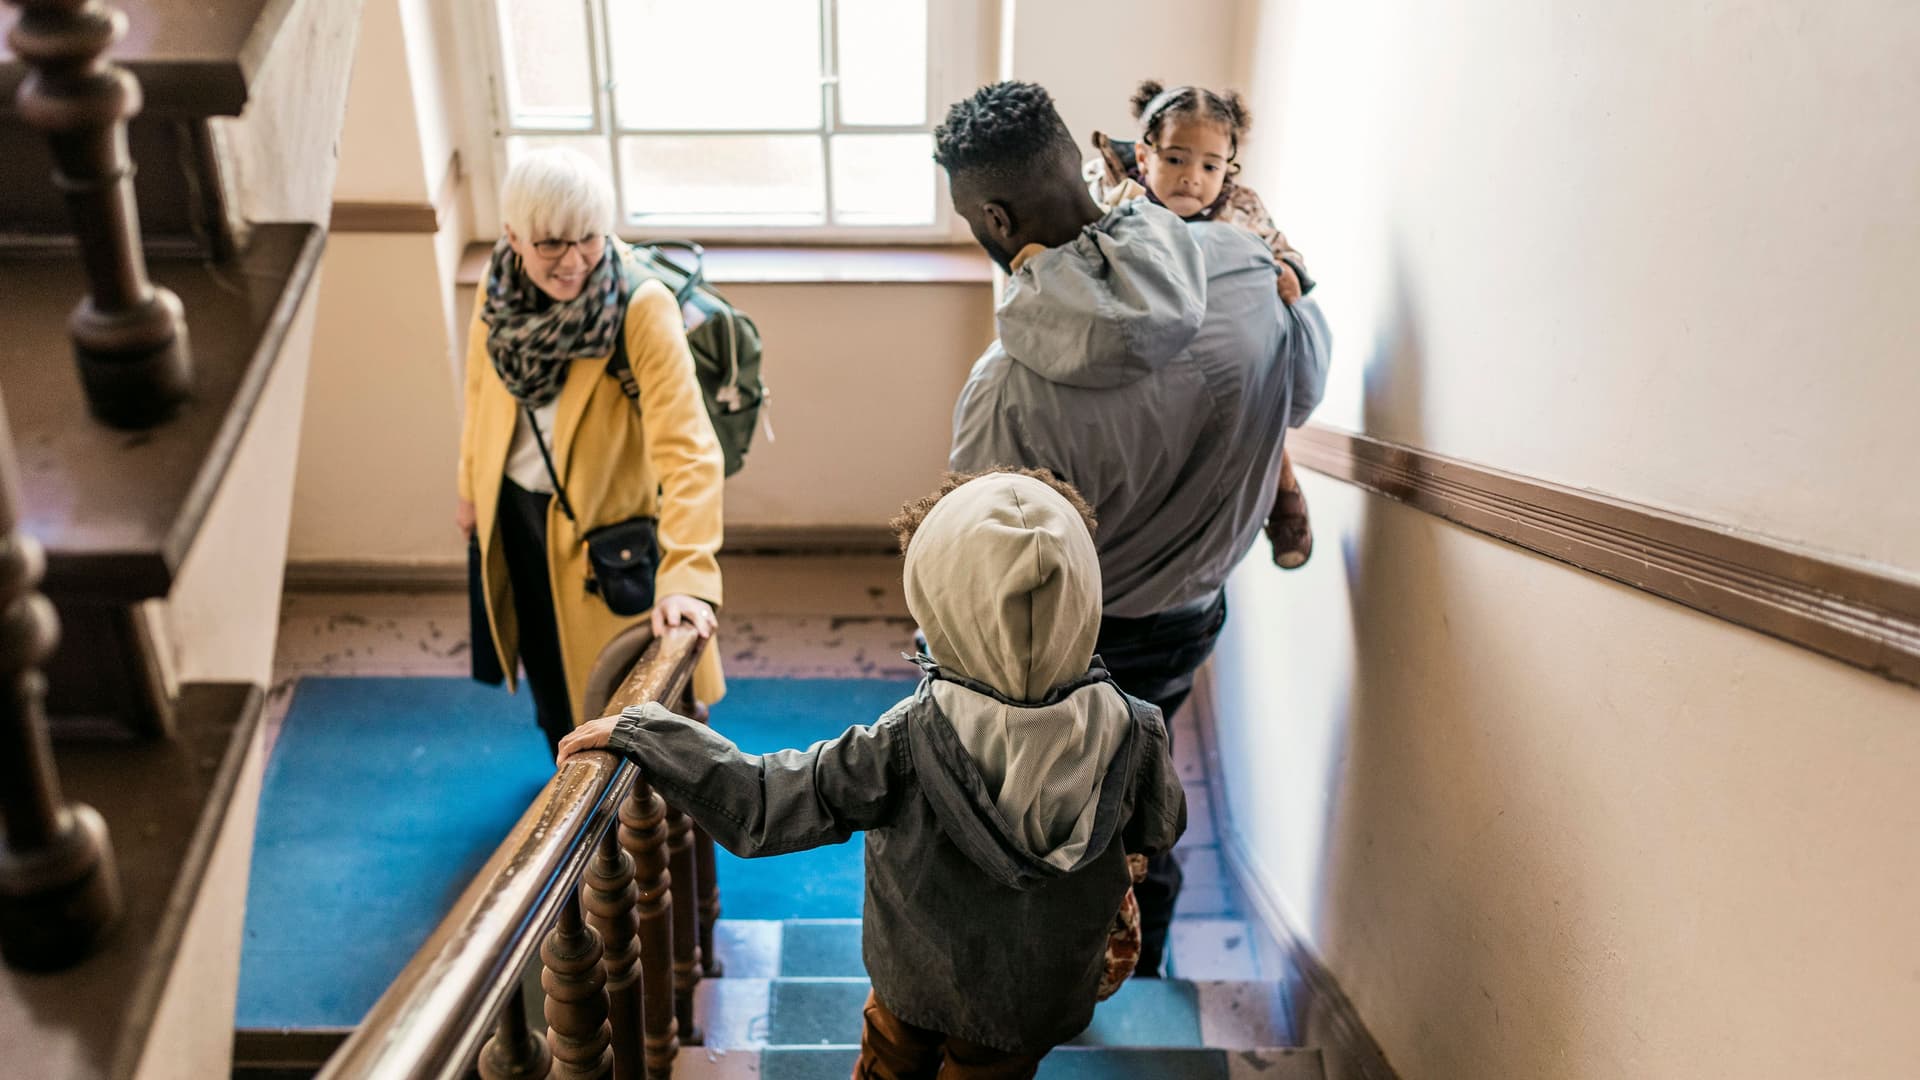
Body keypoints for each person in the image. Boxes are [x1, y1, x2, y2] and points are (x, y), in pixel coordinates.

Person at [557, 470, 1185, 1080]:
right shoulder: (1139, 729)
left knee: (891, 1062)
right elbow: (1159, 829)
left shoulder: (906, 742)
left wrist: (647, 732)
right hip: (1037, 994)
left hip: (913, 979)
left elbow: (765, 802)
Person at [934, 80, 1333, 977]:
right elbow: (1300, 396)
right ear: (1085, 165)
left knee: (1051, 804)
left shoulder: (1005, 387)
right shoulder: (1250, 269)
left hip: (1070, 642)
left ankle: (1049, 970)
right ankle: (1141, 961)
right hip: (1191, 614)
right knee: (1146, 777)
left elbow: (974, 588)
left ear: (995, 219)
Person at [457, 148, 726, 754]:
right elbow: (479, 389)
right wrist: (470, 486)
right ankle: (564, 788)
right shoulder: (497, 289)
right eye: (552, 243)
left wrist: (686, 574)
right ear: (513, 238)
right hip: (515, 515)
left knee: (624, 703)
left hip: (606, 541)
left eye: (589, 238)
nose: (574, 261)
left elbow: (690, 453)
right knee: (548, 675)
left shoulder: (640, 307)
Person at [1087, 80, 1318, 569]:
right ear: (1145, 156)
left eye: (1210, 166)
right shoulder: (1117, 198)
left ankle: (1283, 491)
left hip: (1218, 341)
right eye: (1176, 159)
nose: (1192, 177)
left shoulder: (1239, 207)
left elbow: (1283, 249)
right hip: (1148, 340)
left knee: (1253, 413)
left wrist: (1289, 273)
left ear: (1227, 168)